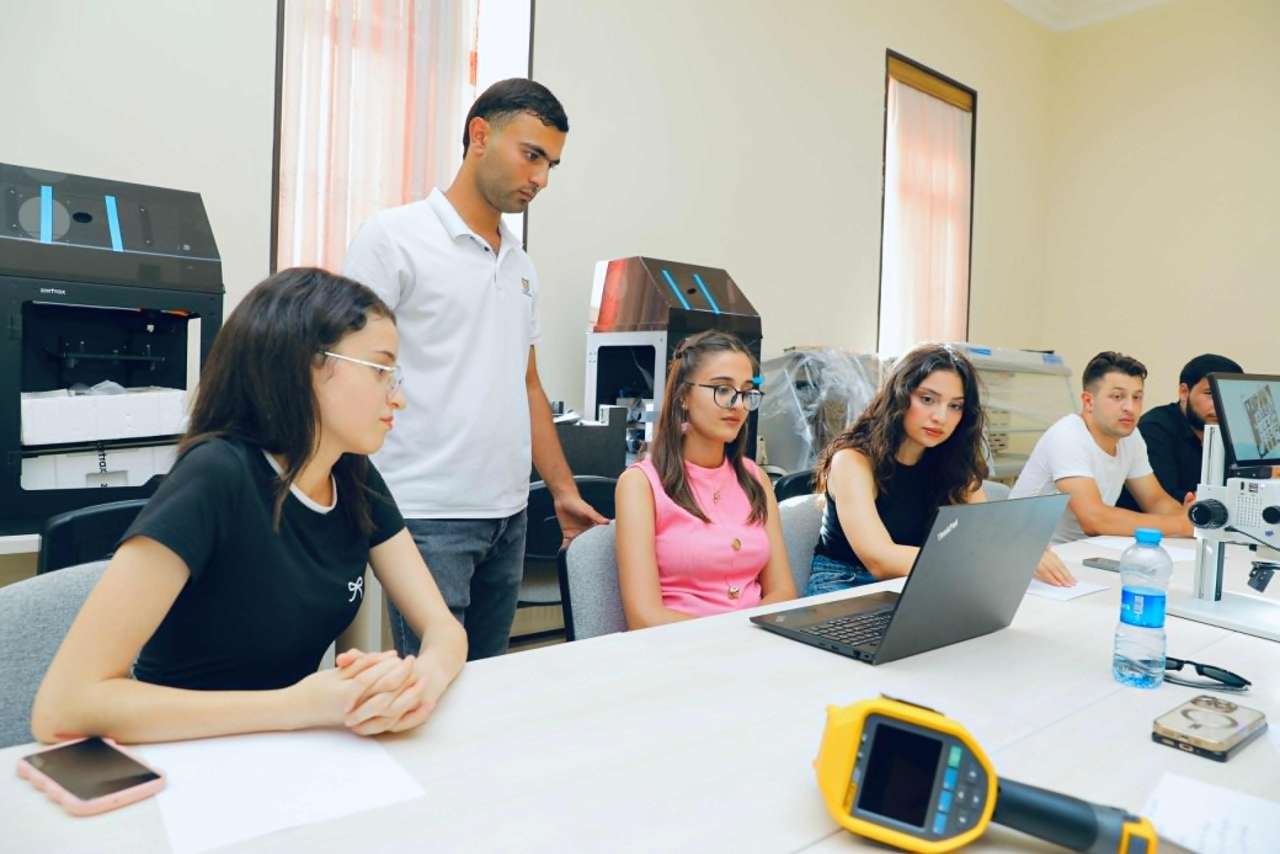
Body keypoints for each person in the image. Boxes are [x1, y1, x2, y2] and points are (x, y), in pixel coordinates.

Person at [31, 269, 466, 744]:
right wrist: (297, 706)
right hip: (186, 751)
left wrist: (417, 685)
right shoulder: (216, 475)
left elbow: (444, 629)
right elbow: (64, 706)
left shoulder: (353, 474)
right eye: (380, 370)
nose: (398, 398)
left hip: (283, 748)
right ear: (305, 365)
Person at [343, 79, 606, 660]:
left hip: (509, 513)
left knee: (488, 684)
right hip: (426, 513)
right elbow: (348, 368)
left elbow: (527, 385)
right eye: (531, 155)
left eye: (551, 164)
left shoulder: (521, 265)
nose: (541, 178)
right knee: (434, 687)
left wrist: (561, 490)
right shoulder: (393, 239)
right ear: (480, 136)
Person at [806, 344, 1075, 596]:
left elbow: (987, 532)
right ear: (898, 396)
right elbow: (880, 560)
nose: (941, 417)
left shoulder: (952, 461)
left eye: (955, 406)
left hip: (917, 581)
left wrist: (1023, 548)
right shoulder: (852, 460)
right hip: (845, 583)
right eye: (927, 399)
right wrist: (996, 555)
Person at [615, 331, 796, 627]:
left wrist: (748, 638)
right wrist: (733, 636)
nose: (737, 404)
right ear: (683, 396)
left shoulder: (756, 479)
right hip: (680, 645)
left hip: (755, 641)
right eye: (722, 389)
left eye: (746, 392)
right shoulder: (641, 485)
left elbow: (783, 592)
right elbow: (643, 617)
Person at [1010, 351, 1193, 544]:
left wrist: (1189, 517)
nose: (1130, 408)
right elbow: (1094, 520)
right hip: (1031, 551)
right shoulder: (1067, 435)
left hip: (1085, 550)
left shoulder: (1130, 437)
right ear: (1088, 401)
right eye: (1117, 396)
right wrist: (1180, 525)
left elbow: (1155, 501)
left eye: (1137, 397)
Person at [1117, 354, 1275, 510]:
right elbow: (1164, 499)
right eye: (1210, 394)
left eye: (1228, 395)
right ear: (1184, 392)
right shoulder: (1154, 428)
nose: (1221, 405)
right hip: (1156, 523)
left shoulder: (1236, 431)